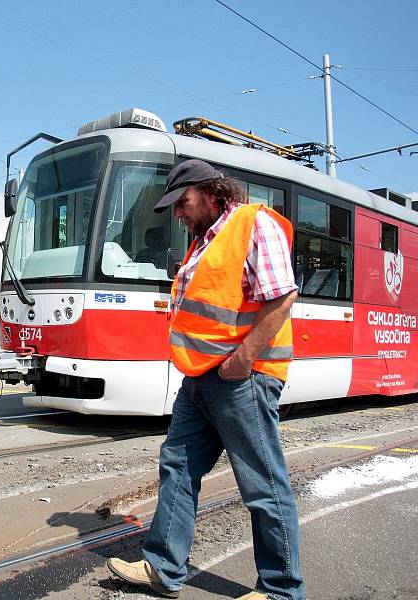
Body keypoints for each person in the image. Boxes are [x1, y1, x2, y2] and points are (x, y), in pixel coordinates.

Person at [107, 160, 304, 600]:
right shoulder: (203, 242)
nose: (178, 213)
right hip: (198, 379)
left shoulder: (254, 223)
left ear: (212, 191)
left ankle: (280, 590)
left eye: (183, 202)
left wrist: (241, 361)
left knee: (262, 484)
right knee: (177, 468)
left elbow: (282, 297)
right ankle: (163, 567)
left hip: (242, 379)